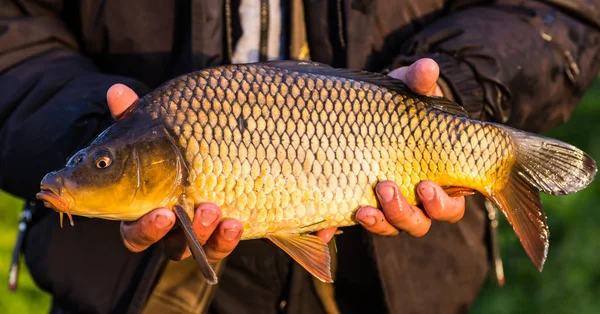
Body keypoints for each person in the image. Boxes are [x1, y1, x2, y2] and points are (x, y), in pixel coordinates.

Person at [1, 1, 599, 313]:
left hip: (395, 287)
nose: (84, 174)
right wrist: (85, 131)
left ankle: (494, 161)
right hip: (132, 293)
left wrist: (455, 92)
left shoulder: (174, 115)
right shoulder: (164, 122)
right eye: (101, 165)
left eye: (100, 164)